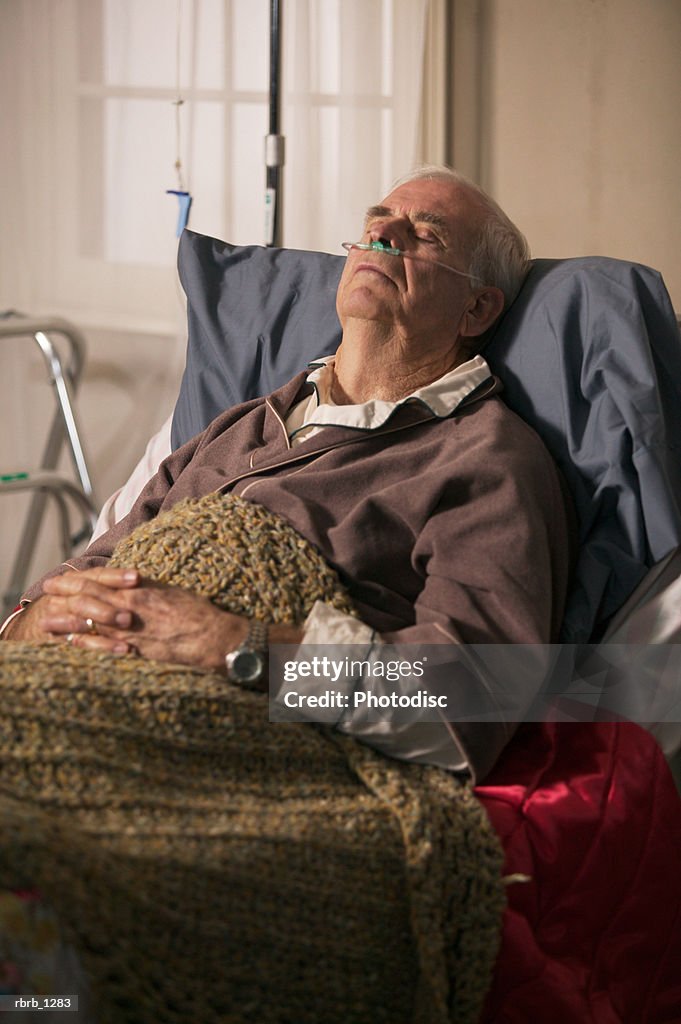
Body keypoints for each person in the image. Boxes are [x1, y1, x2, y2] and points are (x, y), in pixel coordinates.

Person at [1, 166, 576, 782]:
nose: (384, 233)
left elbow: (468, 698)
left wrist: (237, 646)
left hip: (243, 750)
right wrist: (29, 621)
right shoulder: (243, 424)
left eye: (425, 235)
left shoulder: (485, 460)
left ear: (477, 308)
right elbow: (93, 568)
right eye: (375, 222)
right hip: (79, 687)